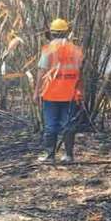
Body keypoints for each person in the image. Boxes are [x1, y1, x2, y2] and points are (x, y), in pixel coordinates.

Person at [34, 18, 83, 163]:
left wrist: (36, 92)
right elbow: (81, 73)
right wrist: (81, 91)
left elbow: (41, 72)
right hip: (70, 94)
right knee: (68, 125)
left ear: (52, 33)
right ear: (67, 32)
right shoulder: (76, 50)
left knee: (50, 125)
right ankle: (68, 156)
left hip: (50, 94)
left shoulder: (48, 49)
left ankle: (50, 156)